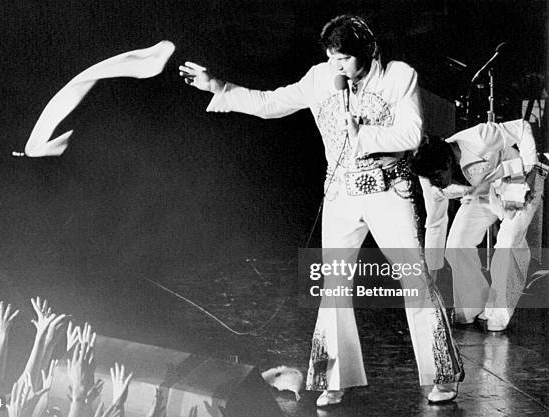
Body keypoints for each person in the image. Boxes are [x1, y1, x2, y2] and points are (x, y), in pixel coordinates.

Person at [179, 14, 463, 405]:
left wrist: (362, 134)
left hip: (390, 189)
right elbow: (272, 102)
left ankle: (443, 376)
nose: (337, 66)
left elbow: (412, 133)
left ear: (367, 51)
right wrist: (221, 87)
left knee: (415, 279)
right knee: (333, 286)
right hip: (341, 192)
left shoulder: (399, 76)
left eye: (344, 58)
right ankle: (334, 377)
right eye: (331, 57)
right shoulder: (319, 78)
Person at [411, 122, 543, 332]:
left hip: (518, 184)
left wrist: (532, 168)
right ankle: (472, 306)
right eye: (431, 179)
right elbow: (436, 221)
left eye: (438, 176)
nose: (436, 183)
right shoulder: (429, 176)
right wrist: (431, 274)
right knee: (456, 245)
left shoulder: (480, 138)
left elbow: (522, 127)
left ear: (447, 161)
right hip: (482, 194)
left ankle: (498, 313)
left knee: (508, 243)